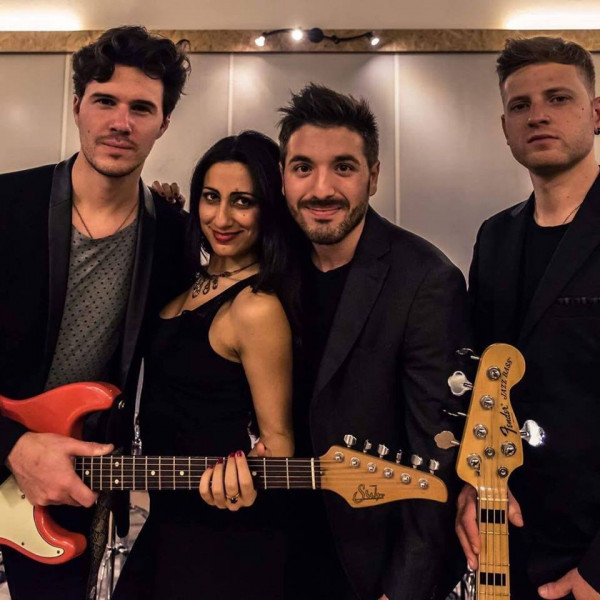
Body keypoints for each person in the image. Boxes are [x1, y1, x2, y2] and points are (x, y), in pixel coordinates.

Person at [0, 26, 190, 600]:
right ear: (78, 104)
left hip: (71, 483)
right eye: (105, 101)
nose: (121, 123)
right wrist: (11, 443)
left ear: (164, 123)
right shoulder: (8, 206)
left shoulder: (176, 240)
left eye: (142, 108)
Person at [277, 84, 470, 600]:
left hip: (366, 565)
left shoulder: (426, 280)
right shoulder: (273, 265)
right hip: (270, 552)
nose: (321, 188)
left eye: (343, 167)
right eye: (303, 167)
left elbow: (438, 457)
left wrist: (402, 590)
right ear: (283, 176)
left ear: (374, 176)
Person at [112, 131, 298, 600]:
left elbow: (279, 444)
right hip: (169, 520)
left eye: (243, 202)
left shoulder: (256, 306)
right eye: (211, 197)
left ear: (268, 210)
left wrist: (246, 481)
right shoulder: (192, 282)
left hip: (226, 536)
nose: (222, 217)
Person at [457, 37, 600, 600]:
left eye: (558, 98)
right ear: (505, 127)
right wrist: (471, 484)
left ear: (596, 113)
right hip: (509, 539)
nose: (537, 114)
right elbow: (481, 381)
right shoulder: (495, 237)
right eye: (520, 105)